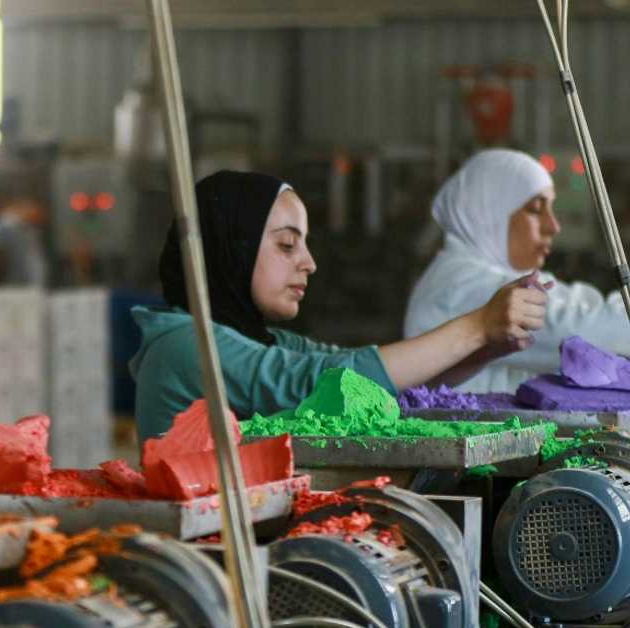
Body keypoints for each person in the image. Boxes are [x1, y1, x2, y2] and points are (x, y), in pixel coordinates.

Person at [131, 170, 548, 440]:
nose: (308, 263)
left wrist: (482, 349)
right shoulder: (184, 347)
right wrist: (475, 326)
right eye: (287, 245)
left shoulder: (262, 340)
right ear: (232, 249)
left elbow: (368, 379)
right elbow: (323, 382)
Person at [405, 148, 630, 393]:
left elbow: (584, 306)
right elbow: (586, 332)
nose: (553, 226)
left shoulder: (493, 277)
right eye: (535, 209)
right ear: (490, 213)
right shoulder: (459, 286)